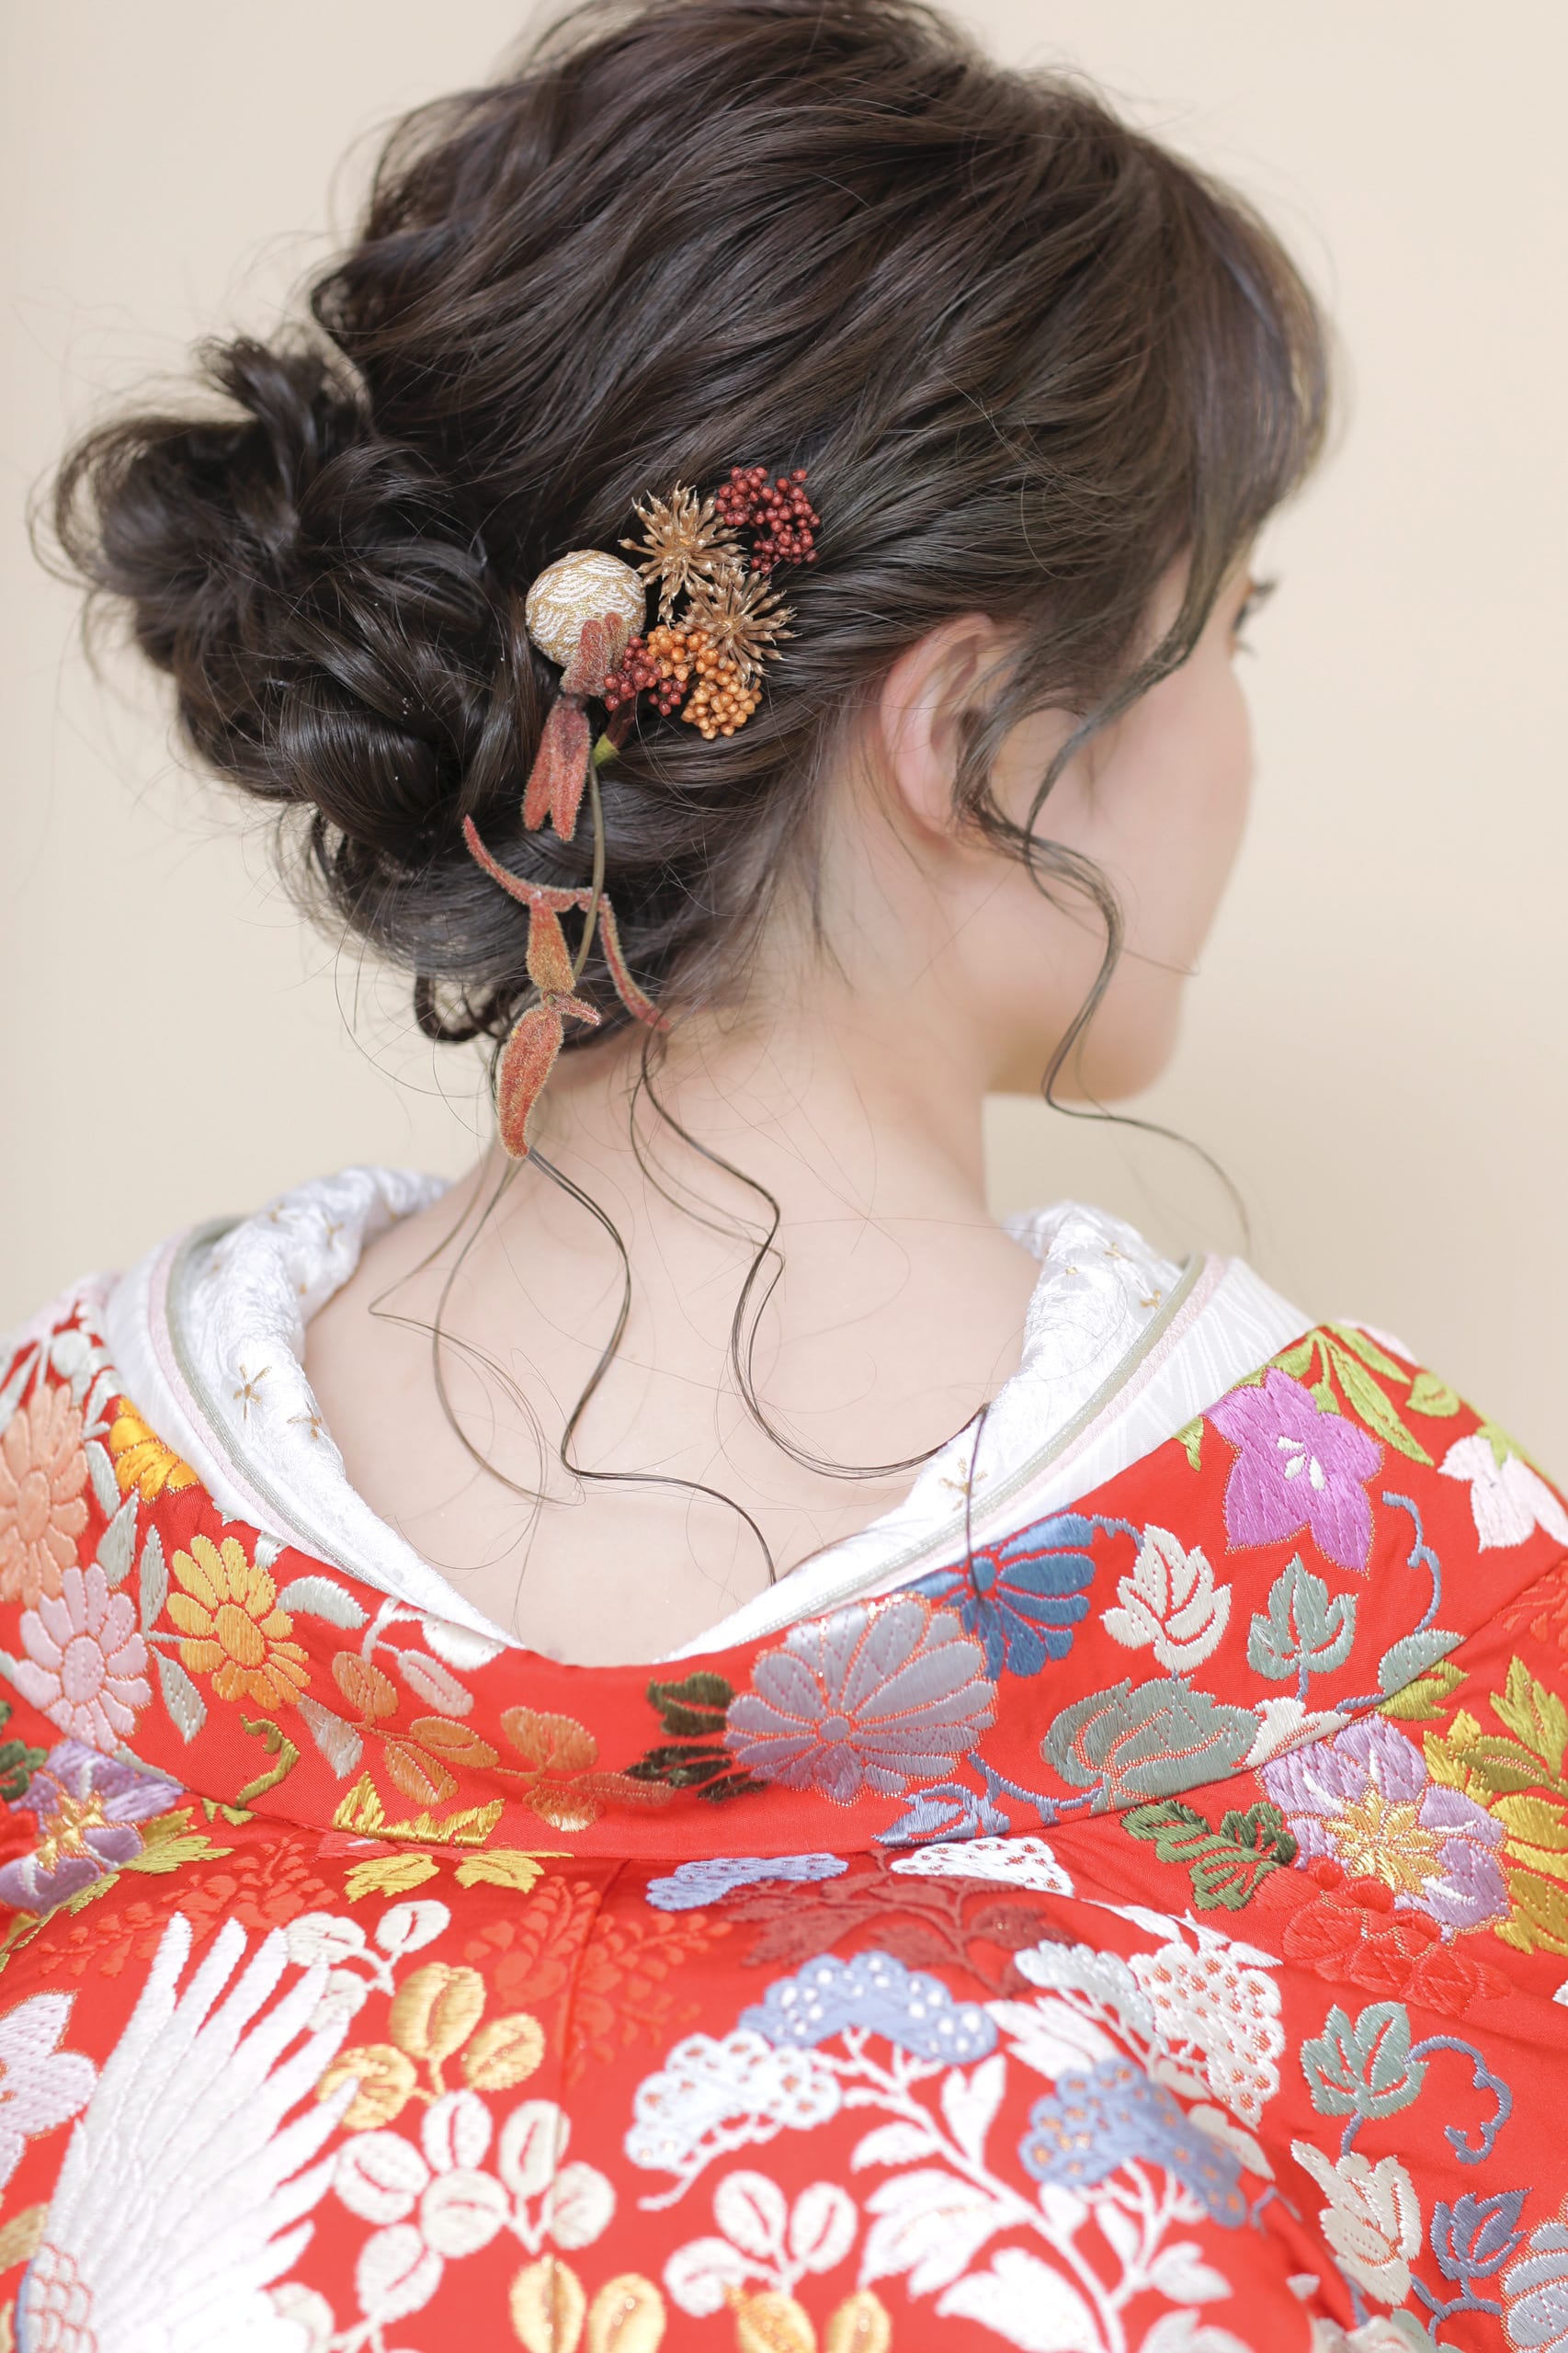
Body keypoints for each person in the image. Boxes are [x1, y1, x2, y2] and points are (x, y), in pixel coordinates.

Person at [2, 0, 1563, 2343]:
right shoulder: (1399, 1598)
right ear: (968, 731)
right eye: (1224, 624)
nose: (1239, 723)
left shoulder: (61, 1531)